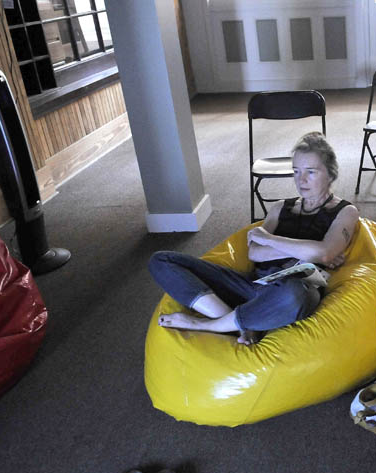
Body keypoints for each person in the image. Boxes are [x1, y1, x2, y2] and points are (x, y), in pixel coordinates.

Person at [148, 132, 360, 345]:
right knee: (161, 260)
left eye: (311, 172)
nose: (301, 179)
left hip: (294, 289)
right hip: (252, 286)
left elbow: (324, 252)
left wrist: (270, 239)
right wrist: (311, 250)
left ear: (331, 174)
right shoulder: (280, 207)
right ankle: (236, 321)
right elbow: (255, 252)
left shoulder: (345, 211)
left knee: (295, 294)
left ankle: (209, 325)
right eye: (296, 171)